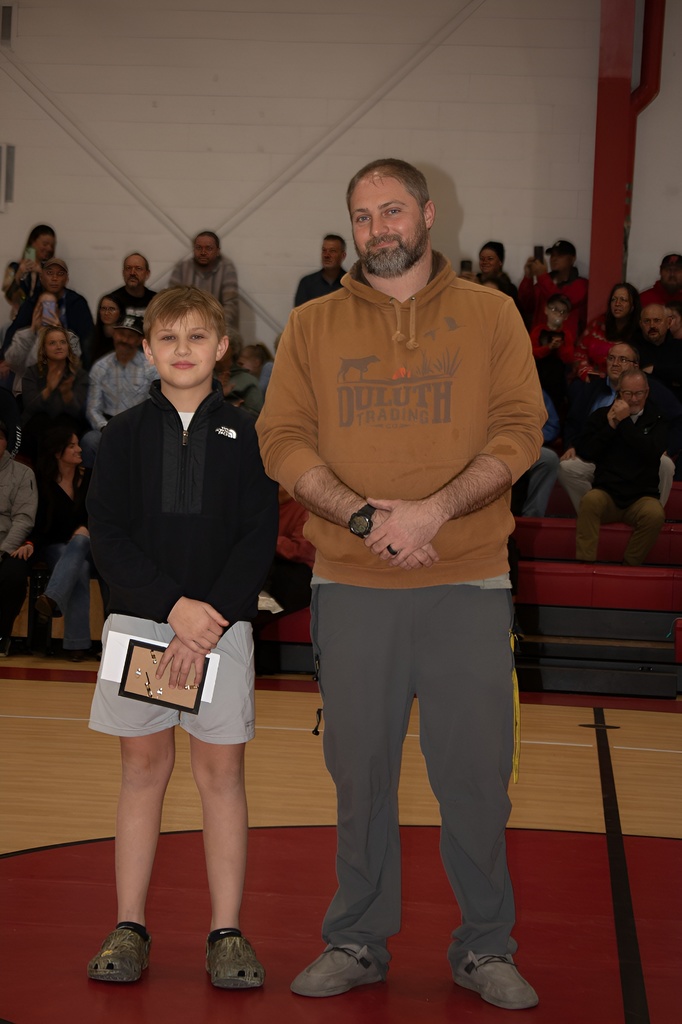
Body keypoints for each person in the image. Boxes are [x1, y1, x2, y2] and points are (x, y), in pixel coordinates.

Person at [257, 157, 544, 1010]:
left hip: (468, 583)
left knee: (474, 776)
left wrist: (429, 514)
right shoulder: (311, 324)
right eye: (362, 214)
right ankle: (356, 937)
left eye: (392, 210)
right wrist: (364, 519)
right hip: (353, 586)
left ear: (426, 213)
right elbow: (282, 439)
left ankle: (485, 946)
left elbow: (521, 430)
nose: (378, 226)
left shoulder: (491, 314)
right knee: (361, 773)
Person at [85, 285, 278, 987]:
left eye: (198, 338)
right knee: (141, 772)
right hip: (143, 627)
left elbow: (260, 535)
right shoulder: (125, 434)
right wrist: (172, 608)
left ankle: (225, 931)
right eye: (169, 339)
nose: (184, 350)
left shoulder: (251, 434)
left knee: (221, 777)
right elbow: (106, 534)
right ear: (148, 349)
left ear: (222, 347)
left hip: (220, 631)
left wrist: (208, 619)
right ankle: (128, 923)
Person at [558, 342, 678, 512]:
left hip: (639, 461)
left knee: (665, 464)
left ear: (635, 366)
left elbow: (678, 420)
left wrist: (668, 447)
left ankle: (652, 516)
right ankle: (594, 514)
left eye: (622, 359)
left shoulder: (652, 389)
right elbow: (574, 422)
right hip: (600, 459)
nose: (615, 363)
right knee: (567, 467)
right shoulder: (591, 389)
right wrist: (571, 445)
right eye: (611, 358)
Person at [574, 369, 667, 565]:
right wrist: (610, 427)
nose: (633, 399)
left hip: (642, 497)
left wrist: (622, 422)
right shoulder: (601, 416)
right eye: (628, 393)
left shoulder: (658, 419)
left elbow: (650, 452)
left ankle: (630, 565)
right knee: (590, 501)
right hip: (607, 493)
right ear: (619, 393)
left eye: (639, 393)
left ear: (647, 392)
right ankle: (585, 564)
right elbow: (586, 452)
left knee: (655, 514)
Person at [33, 427, 94, 661]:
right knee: (80, 568)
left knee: (80, 543)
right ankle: (76, 644)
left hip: (89, 546)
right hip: (56, 547)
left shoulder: (89, 478)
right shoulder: (44, 482)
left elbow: (100, 514)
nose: (80, 449)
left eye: (78, 444)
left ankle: (52, 598)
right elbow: (41, 524)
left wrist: (86, 529)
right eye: (72, 445)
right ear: (58, 453)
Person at [81, 315, 158, 467]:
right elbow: (92, 409)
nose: (124, 340)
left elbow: (156, 405)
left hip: (140, 427)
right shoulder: (100, 367)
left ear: (139, 340)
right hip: (107, 426)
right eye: (121, 334)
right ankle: (91, 488)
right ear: (114, 334)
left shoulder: (151, 367)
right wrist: (105, 428)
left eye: (130, 336)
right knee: (89, 441)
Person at [3, 257, 94, 366]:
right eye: (49, 273)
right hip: (32, 361)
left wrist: (59, 330)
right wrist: (32, 330)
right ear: (41, 277)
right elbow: (14, 331)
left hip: (67, 364)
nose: (54, 278)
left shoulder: (77, 303)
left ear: (66, 279)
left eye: (60, 274)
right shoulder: (32, 302)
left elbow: (88, 340)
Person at [20, 326, 88, 461]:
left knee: (62, 427)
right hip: (36, 425)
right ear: (43, 349)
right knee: (40, 423)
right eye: (52, 343)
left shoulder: (79, 375)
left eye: (63, 342)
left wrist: (67, 394)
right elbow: (29, 407)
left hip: (68, 423)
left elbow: (79, 412)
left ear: (68, 347)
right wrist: (48, 389)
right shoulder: (32, 372)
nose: (59, 346)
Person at [0, 419, 37, 656]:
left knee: (12, 576)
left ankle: (2, 634)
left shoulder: (22, 473)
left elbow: (24, 518)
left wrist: (3, 550)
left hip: (8, 543)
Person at [169, 231, 239, 332]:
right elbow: (172, 300)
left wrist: (216, 327)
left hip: (217, 326)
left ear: (218, 251)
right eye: (198, 248)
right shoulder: (182, 268)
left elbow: (230, 304)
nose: (203, 252)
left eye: (208, 248)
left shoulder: (227, 269)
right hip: (185, 325)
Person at [519, 240, 588, 338]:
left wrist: (542, 275)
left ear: (572, 259)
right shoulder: (542, 283)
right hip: (539, 343)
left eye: (560, 255)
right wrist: (528, 277)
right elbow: (526, 305)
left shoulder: (581, 284)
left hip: (565, 344)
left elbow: (561, 303)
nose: (554, 259)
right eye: (552, 255)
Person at [573, 282, 641, 381]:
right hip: (590, 378)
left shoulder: (638, 333)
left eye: (623, 300)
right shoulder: (597, 324)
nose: (617, 304)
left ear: (632, 306)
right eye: (614, 300)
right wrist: (585, 372)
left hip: (623, 382)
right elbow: (579, 354)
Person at [529, 293, 574, 413]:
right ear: (546, 309)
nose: (558, 314)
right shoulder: (538, 330)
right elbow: (532, 353)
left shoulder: (566, 334)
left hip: (557, 380)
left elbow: (569, 357)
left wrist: (559, 347)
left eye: (563, 312)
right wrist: (548, 348)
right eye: (555, 309)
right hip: (538, 377)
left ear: (566, 316)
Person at [2, 224, 56, 312]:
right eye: (45, 244)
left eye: (52, 245)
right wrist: (18, 275)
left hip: (44, 319)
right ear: (32, 242)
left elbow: (57, 295)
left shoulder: (51, 270)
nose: (49, 248)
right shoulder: (14, 267)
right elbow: (10, 297)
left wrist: (41, 273)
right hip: (20, 320)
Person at [294, 235, 347, 306]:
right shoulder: (307, 283)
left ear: (343, 255)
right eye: (324, 250)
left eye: (332, 251)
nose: (326, 255)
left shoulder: (351, 284)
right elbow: (299, 315)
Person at [105, 253, 157, 321]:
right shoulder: (112, 301)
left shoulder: (156, 301)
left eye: (138, 268)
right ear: (123, 273)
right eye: (128, 268)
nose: (132, 273)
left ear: (147, 274)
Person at [90, 293, 122, 364]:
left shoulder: (124, 339)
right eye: (103, 309)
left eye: (112, 309)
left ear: (120, 313)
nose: (106, 313)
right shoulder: (91, 336)